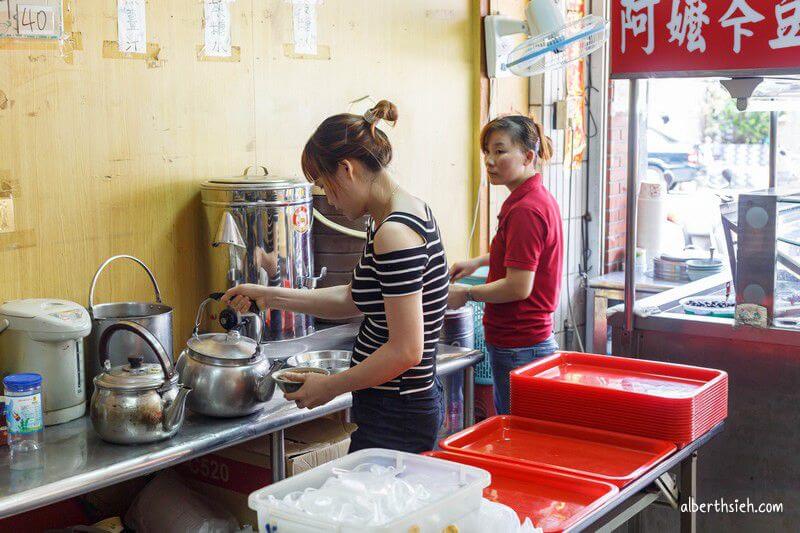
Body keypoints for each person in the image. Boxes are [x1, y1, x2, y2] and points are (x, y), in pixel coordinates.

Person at [222, 100, 449, 453]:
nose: (328, 200)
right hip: (393, 406)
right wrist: (270, 296)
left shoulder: (395, 232)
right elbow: (351, 299)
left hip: (397, 413)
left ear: (347, 169)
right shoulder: (400, 215)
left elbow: (406, 350)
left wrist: (330, 386)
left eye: (326, 186)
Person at [448, 115, 562, 415]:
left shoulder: (526, 209)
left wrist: (467, 294)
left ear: (528, 156)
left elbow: (518, 286)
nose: (489, 160)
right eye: (487, 152)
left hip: (520, 345)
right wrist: (477, 263)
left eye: (500, 151)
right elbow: (522, 255)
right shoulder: (531, 198)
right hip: (523, 343)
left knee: (519, 437)